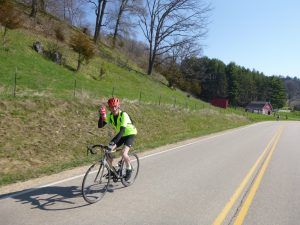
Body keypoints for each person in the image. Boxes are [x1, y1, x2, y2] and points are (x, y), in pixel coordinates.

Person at [98, 97, 137, 181]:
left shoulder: (124, 115)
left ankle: (129, 168)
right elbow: (100, 125)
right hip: (121, 135)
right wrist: (101, 116)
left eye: (115, 106)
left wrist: (113, 142)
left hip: (130, 134)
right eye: (112, 107)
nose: (114, 108)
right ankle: (113, 171)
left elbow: (122, 131)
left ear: (118, 106)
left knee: (124, 153)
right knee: (107, 152)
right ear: (109, 107)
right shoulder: (110, 115)